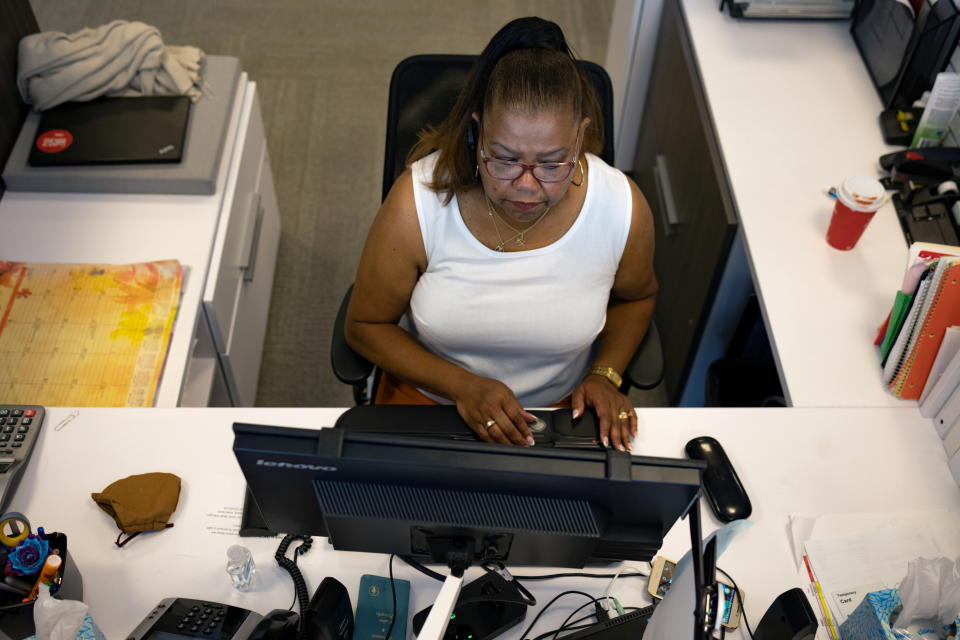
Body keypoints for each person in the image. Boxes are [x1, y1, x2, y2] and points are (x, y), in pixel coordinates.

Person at [345, 17, 657, 452]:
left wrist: (605, 374)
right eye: (505, 160)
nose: (527, 186)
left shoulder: (621, 208)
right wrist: (463, 386)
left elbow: (636, 297)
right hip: (431, 400)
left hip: (561, 412)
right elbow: (364, 326)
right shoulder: (416, 202)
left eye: (552, 164)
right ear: (477, 134)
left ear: (580, 136)